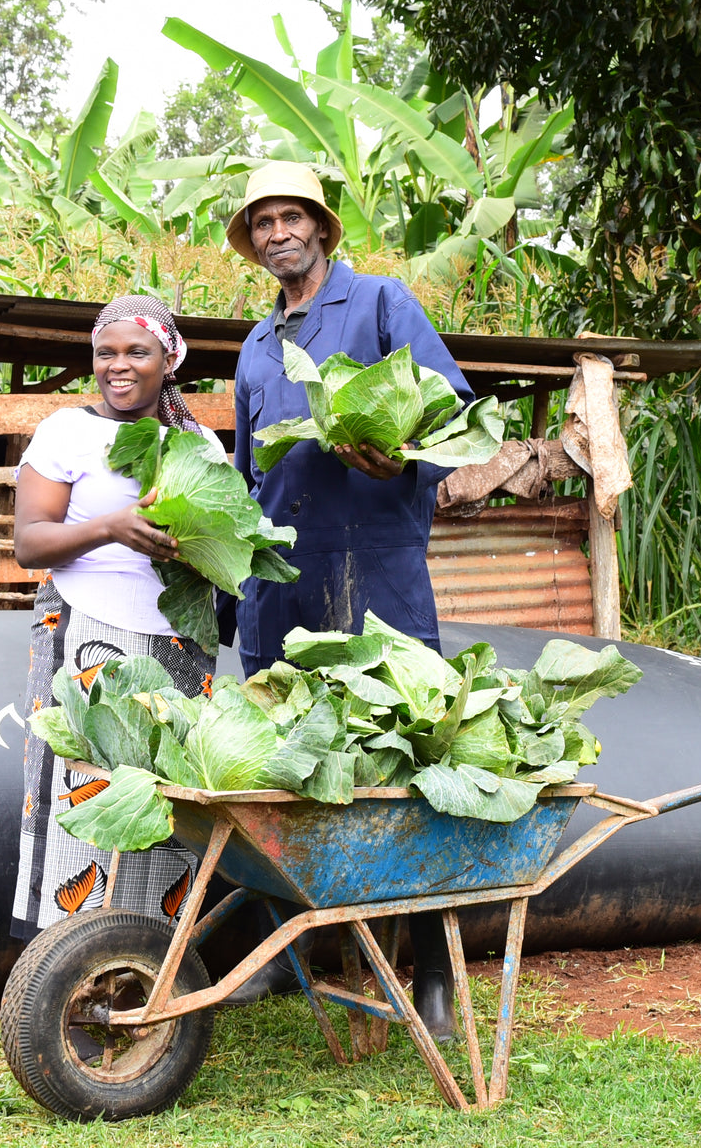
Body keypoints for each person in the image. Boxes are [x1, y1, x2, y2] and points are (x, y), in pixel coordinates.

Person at [227, 161, 473, 1037]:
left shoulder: (378, 306)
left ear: (323, 230)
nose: (278, 233)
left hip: (377, 572)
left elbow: (453, 410)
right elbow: (247, 474)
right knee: (289, 766)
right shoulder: (257, 347)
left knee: (412, 762)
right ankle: (291, 959)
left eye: (292, 217)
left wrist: (402, 456)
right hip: (284, 583)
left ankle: (435, 975)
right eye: (263, 223)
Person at [9, 295, 221, 942]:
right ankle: (63, 967)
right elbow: (28, 543)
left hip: (178, 646)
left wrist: (199, 537)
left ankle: (147, 968)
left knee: (165, 805)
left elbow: (223, 547)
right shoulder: (67, 432)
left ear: (170, 359)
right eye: (106, 352)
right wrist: (110, 527)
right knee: (84, 796)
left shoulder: (200, 443)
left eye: (137, 351)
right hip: (86, 634)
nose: (118, 365)